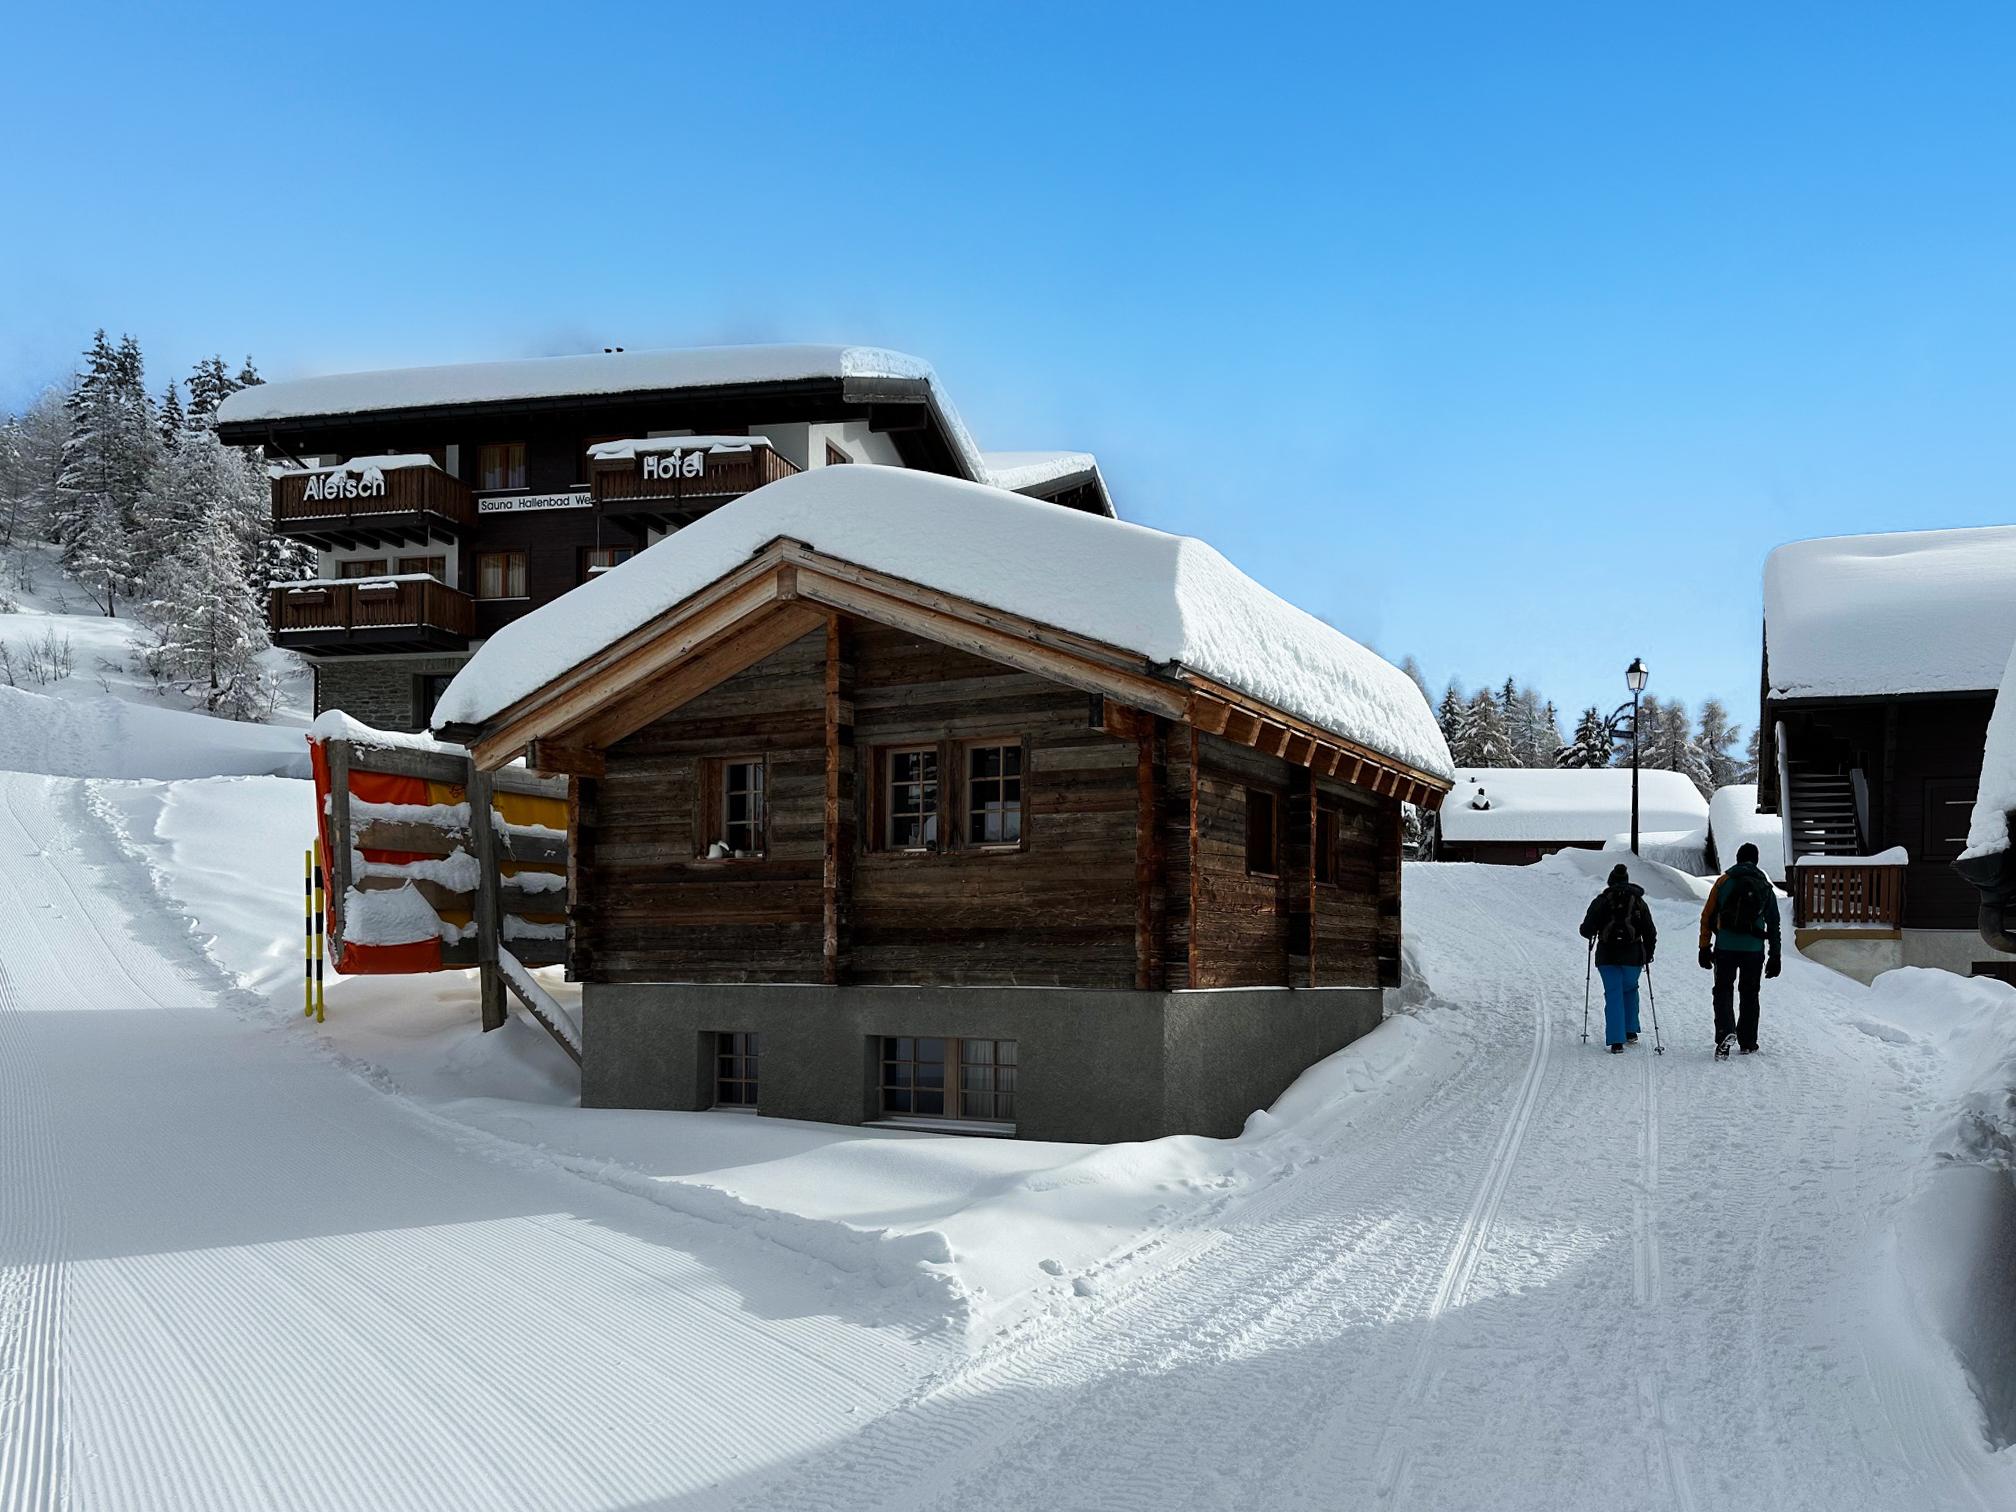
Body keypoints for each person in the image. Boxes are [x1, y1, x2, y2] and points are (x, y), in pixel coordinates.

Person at [1698, 841, 1782, 1057]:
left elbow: (1707, 916)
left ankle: (1726, 1032)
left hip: (1725, 946)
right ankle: (1748, 1041)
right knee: (1750, 993)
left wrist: (1704, 947)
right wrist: (1775, 956)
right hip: (1754, 949)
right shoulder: (1764, 885)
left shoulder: (1723, 881)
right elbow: (1774, 923)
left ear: (1737, 859)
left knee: (1723, 989)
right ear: (1756, 860)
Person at [1579, 863, 1658, 1053]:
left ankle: (1616, 1041)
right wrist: (1648, 954)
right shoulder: (1638, 901)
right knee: (1630, 989)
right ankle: (1630, 1030)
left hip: (1607, 956)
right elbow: (1650, 931)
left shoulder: (1602, 901)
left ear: (1610, 881)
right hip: (1633, 957)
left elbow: (1586, 930)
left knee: (1613, 994)